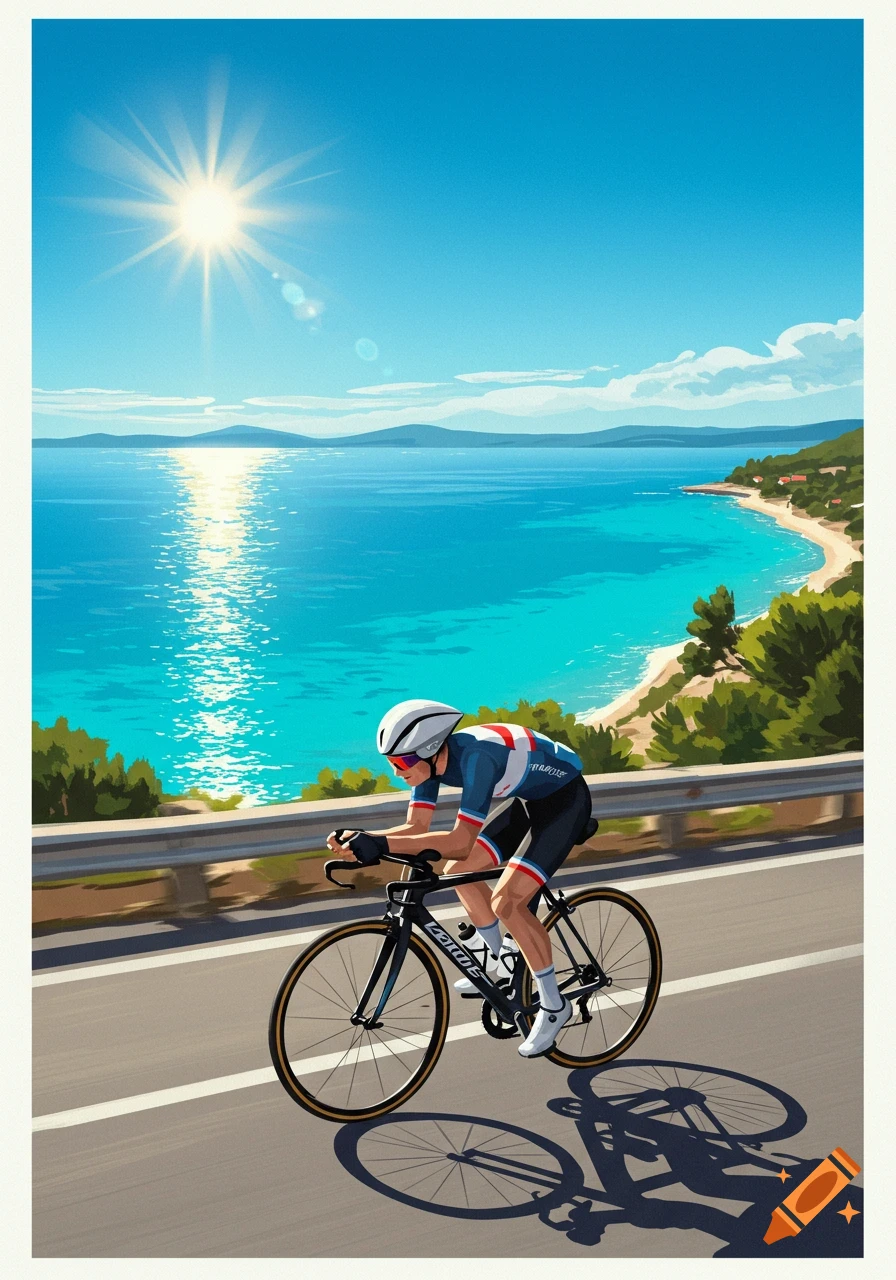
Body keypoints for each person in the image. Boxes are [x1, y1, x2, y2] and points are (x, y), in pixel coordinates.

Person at [326, 699, 595, 1059]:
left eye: (401, 763)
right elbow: (415, 827)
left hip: (565, 802)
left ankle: (554, 1005)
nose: (396, 772)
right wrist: (363, 837)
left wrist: (381, 843)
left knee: (507, 902)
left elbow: (460, 842)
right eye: (390, 763)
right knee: (457, 871)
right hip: (528, 801)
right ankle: (497, 961)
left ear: (429, 749)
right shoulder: (429, 767)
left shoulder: (476, 759)